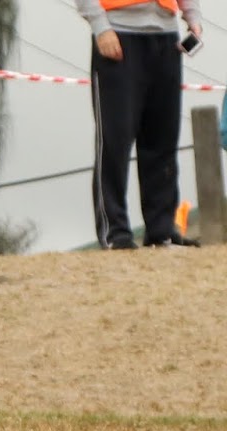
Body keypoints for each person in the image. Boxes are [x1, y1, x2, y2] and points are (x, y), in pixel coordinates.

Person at [78, 0, 204, 248]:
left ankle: (162, 231)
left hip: (166, 36)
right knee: (115, 140)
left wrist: (193, 17)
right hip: (118, 32)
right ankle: (116, 233)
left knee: (162, 139)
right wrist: (101, 27)